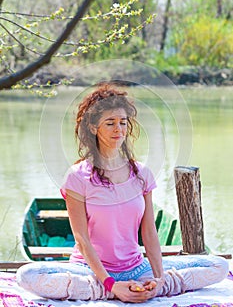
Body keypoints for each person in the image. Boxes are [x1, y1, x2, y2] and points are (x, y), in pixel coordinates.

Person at [17, 83, 228, 303]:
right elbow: (82, 240)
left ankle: (148, 287)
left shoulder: (142, 173)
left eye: (123, 122)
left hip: (136, 269)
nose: (119, 129)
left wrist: (159, 278)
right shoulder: (77, 177)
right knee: (28, 275)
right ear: (92, 127)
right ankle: (110, 291)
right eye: (110, 123)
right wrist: (110, 283)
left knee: (218, 265)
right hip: (90, 270)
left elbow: (149, 232)